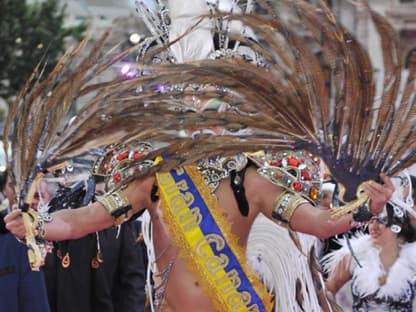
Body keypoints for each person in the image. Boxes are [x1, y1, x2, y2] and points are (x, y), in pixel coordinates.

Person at [40, 172, 147, 312]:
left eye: (102, 194)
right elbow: (49, 283)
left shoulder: (123, 225)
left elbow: (133, 283)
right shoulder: (58, 225)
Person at [322, 174, 416, 311]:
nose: (374, 227)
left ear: (398, 224)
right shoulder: (354, 254)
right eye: (371, 220)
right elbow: (327, 291)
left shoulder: (412, 256)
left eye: (381, 220)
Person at [0, 170, 50, 312]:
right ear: (4, 189)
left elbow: (33, 302)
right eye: (12, 185)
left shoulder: (15, 240)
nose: (18, 192)